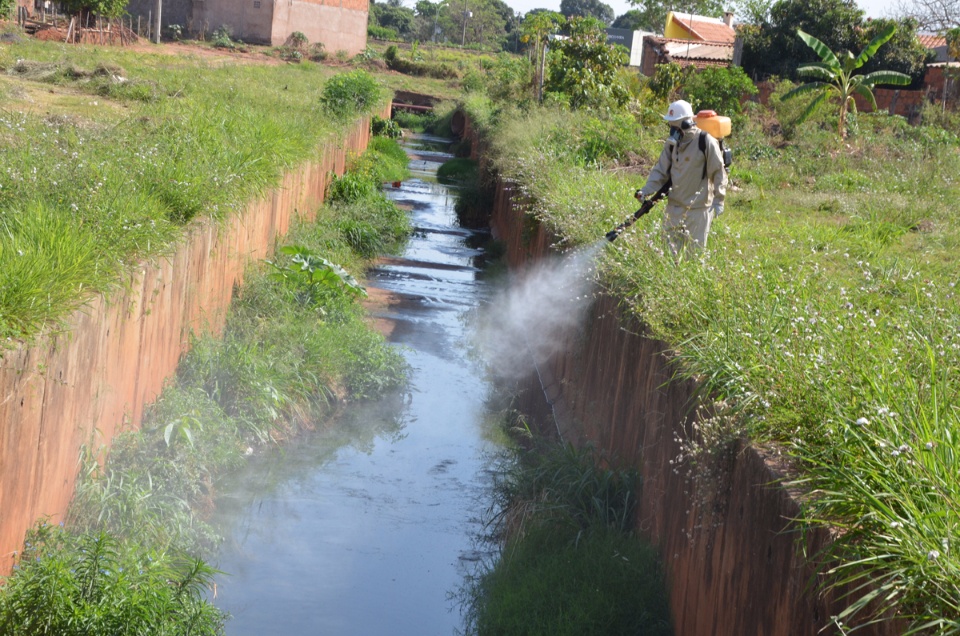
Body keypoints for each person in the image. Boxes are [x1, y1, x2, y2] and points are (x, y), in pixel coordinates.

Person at [636, 99, 727, 256]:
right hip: (674, 207)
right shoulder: (672, 145)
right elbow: (660, 170)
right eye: (670, 125)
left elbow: (718, 172)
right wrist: (646, 190)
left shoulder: (705, 142)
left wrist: (719, 200)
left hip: (698, 210)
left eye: (675, 125)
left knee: (695, 257)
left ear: (686, 123)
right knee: (668, 255)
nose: (672, 129)